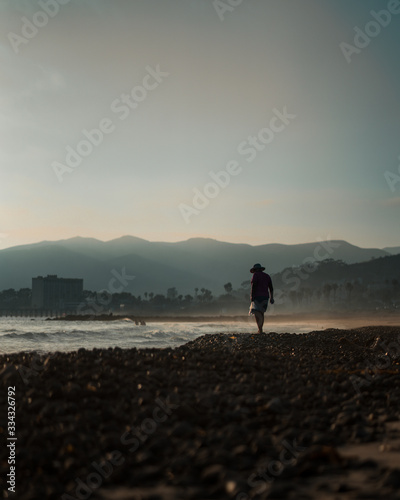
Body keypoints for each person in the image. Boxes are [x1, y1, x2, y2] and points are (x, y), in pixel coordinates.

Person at [249, 263, 274, 334]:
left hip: (257, 296)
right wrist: (272, 297)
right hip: (265, 297)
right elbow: (271, 288)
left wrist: (252, 296)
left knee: (257, 313)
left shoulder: (255, 275)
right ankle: (260, 329)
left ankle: (260, 329)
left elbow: (253, 286)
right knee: (262, 313)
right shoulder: (267, 276)